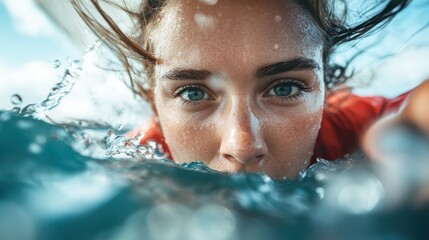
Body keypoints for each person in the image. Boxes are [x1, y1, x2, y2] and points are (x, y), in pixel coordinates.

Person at [72, 0, 428, 179]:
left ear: (324, 90)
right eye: (194, 93)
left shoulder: (361, 129)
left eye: (285, 88)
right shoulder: (136, 164)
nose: (241, 145)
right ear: (155, 104)